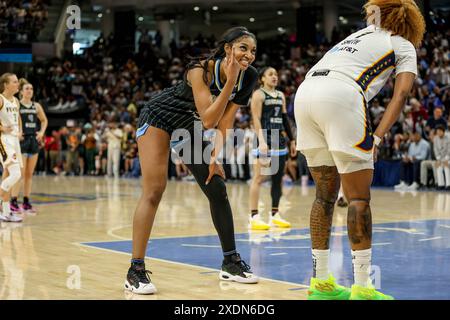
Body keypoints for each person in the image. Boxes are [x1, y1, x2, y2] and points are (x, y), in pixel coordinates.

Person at [294, 0, 425, 300]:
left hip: (305, 93)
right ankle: (363, 288)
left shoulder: (356, 36)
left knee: (324, 196)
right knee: (358, 199)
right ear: (410, 22)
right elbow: (402, 92)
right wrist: (377, 138)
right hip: (340, 94)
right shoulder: (402, 43)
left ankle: (321, 283)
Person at [125, 27, 259, 294]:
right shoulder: (200, 70)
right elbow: (209, 118)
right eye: (243, 48)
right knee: (154, 191)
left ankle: (230, 262)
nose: (249, 55)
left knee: (217, 186)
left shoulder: (250, 76)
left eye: (253, 50)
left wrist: (215, 157)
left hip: (189, 127)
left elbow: (225, 121)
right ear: (228, 49)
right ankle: (135, 270)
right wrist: (231, 80)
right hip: (160, 118)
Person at [248, 67, 296, 230]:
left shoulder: (281, 95)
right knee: (259, 178)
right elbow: (256, 119)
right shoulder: (258, 95)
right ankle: (254, 216)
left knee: (277, 179)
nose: (274, 77)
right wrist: (261, 141)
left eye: (276, 74)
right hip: (264, 140)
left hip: (279, 141)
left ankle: (274, 214)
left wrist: (292, 140)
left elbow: (284, 119)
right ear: (262, 78)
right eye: (270, 74)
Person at [10, 78, 48, 213]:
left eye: (31, 89)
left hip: (33, 141)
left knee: (29, 175)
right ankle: (13, 201)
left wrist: (42, 132)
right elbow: (10, 121)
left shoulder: (36, 106)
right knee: (18, 174)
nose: (29, 91)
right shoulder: (16, 105)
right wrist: (17, 132)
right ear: (21, 91)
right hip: (21, 142)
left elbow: (44, 120)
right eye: (27, 89)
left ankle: (26, 202)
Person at [0, 73, 23, 222]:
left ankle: (6, 212)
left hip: (14, 140)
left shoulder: (16, 101)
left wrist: (19, 130)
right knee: (16, 175)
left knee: (10, 176)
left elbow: (18, 117)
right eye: (14, 82)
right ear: (6, 84)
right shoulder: (0, 99)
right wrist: (1, 128)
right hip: (3, 140)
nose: (17, 84)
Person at [433, 125, 450, 190]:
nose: (438, 133)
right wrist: (438, 159)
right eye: (437, 132)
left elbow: (449, 149)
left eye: (440, 131)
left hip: (448, 157)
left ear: (443, 131)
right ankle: (441, 184)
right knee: (438, 166)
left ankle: (448, 185)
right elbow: (435, 150)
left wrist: (446, 159)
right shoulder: (435, 138)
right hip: (441, 158)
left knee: (446, 166)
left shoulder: (448, 137)